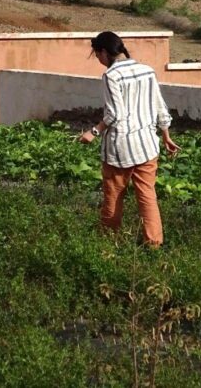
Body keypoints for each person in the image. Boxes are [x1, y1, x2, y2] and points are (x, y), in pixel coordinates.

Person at [77, 31, 180, 247]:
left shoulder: (111, 76)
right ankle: (154, 245)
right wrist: (166, 136)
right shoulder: (147, 70)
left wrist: (93, 132)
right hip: (147, 146)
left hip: (120, 149)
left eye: (97, 56)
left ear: (103, 52)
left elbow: (114, 114)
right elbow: (160, 106)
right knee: (147, 197)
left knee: (113, 197)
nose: (99, 61)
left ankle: (108, 244)